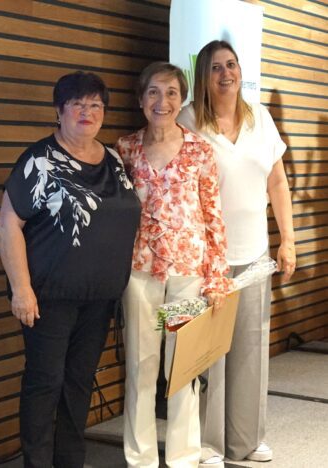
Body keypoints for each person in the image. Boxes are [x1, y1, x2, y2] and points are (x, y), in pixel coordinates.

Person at [0, 71, 141, 468]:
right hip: (48, 299)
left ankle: (70, 461)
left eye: (95, 105)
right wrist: (21, 289)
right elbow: (8, 224)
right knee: (45, 383)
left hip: (100, 299)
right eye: (77, 104)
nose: (87, 112)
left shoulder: (113, 159)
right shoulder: (39, 160)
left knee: (79, 383)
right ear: (59, 110)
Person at [178, 40, 296, 467]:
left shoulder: (260, 118)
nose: (225, 74)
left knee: (250, 349)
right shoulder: (188, 120)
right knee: (208, 353)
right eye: (215, 67)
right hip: (206, 258)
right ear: (202, 77)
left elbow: (277, 183)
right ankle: (207, 445)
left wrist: (288, 239)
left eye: (231, 65)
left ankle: (246, 441)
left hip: (254, 254)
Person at [115, 62, 233, 468]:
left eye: (170, 93)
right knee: (141, 367)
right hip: (139, 271)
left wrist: (216, 277)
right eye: (153, 92)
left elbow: (213, 215)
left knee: (182, 368)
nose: (161, 101)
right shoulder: (125, 148)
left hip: (188, 272)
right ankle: (141, 459)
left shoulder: (200, 150)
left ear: (181, 100)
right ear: (140, 99)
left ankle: (183, 457)